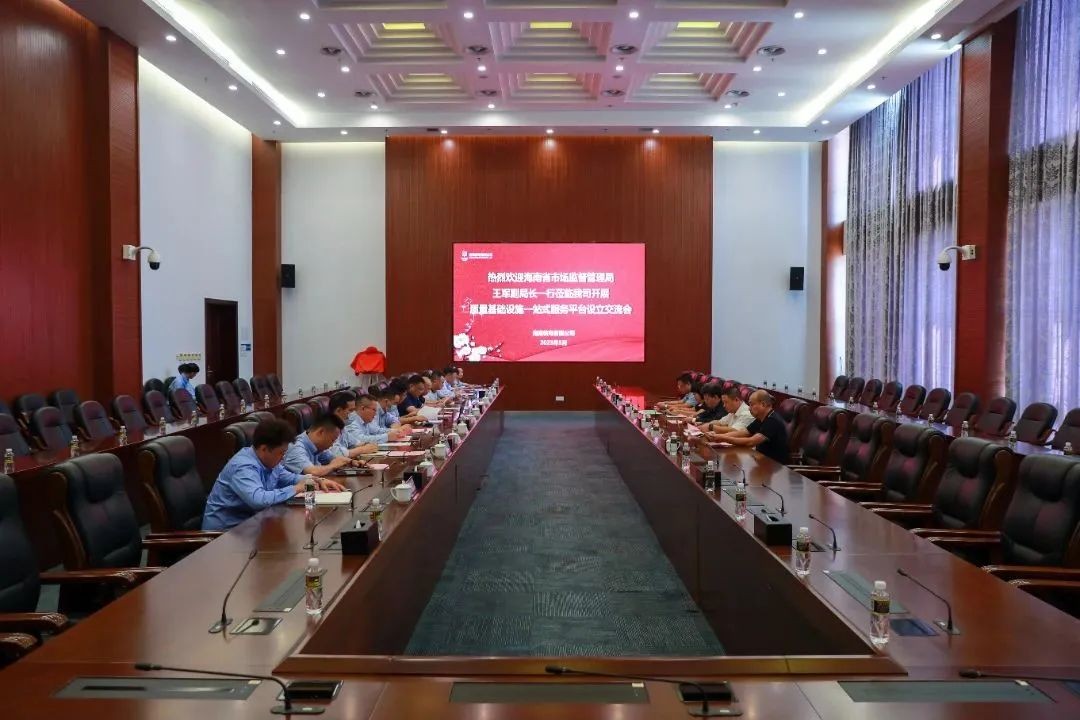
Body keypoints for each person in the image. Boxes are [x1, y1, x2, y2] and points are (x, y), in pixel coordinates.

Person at [202, 419, 344, 531]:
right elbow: (258, 500)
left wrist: (316, 480)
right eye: (281, 453)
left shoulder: (269, 461)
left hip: (251, 525)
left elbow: (290, 477)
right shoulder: (243, 466)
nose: (283, 458)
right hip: (225, 534)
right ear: (264, 449)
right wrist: (296, 488)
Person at [720, 390, 790, 464]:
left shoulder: (772, 421)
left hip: (774, 465)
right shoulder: (761, 418)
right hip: (760, 459)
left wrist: (723, 438)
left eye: (751, 404)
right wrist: (720, 436)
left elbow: (751, 442)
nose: (749, 408)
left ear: (763, 404)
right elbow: (745, 432)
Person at [283, 414, 354, 476]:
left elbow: (333, 459)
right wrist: (332, 466)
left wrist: (350, 462)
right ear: (321, 432)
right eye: (332, 440)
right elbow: (312, 472)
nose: (332, 445)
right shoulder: (296, 447)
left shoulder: (317, 446)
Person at [328, 391, 381, 459]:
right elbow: (335, 453)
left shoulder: (342, 428)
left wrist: (366, 445)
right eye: (350, 410)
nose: (353, 413)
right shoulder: (328, 428)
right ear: (338, 410)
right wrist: (362, 450)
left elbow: (355, 442)